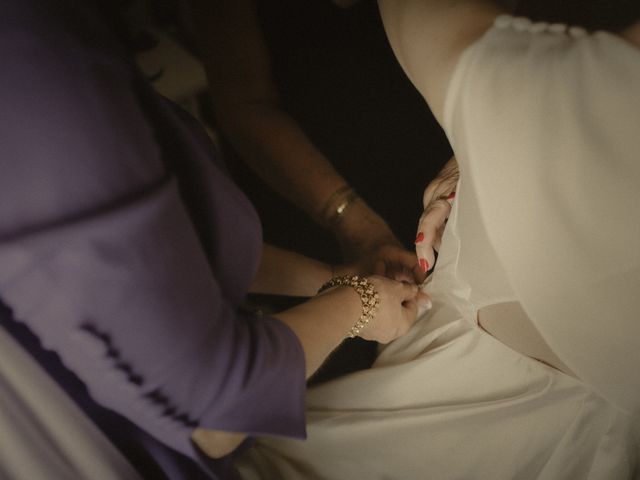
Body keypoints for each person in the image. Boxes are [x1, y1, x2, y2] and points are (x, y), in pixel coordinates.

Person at [0, 0, 428, 478]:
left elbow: (178, 251)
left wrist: (331, 280)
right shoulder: (39, 70)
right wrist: (360, 302)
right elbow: (217, 408)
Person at [233, 1, 640, 478]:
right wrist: (474, 150)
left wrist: (485, 136)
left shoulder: (563, 90)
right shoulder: (571, 94)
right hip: (384, 238)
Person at [187, 0, 450, 282]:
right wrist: (351, 222)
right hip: (307, 185)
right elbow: (244, 103)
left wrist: (459, 165)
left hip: (434, 160)